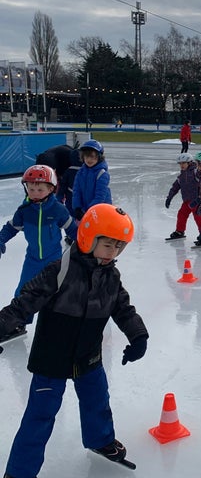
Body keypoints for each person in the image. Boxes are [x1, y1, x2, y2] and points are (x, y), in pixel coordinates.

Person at [0, 203, 148, 477]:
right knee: (39, 417)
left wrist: (138, 335)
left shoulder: (111, 277)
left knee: (97, 401)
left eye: (119, 247)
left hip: (88, 355)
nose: (113, 253)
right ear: (88, 238)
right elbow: (25, 302)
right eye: (107, 245)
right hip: (51, 358)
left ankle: (100, 440)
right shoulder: (59, 270)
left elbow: (123, 308)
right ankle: (19, 472)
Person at [0, 165, 79, 341]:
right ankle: (18, 323)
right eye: (31, 188)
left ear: (51, 189)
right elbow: (10, 228)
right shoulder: (24, 211)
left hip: (55, 260)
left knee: (58, 293)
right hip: (33, 260)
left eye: (40, 189)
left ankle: (61, 322)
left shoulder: (58, 209)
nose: (35, 192)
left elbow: (73, 230)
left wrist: (85, 247)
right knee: (23, 291)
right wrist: (0, 240)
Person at [165, 153, 201, 240]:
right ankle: (180, 231)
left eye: (183, 163)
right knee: (181, 214)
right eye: (180, 163)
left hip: (196, 201)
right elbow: (174, 188)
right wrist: (169, 198)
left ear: (189, 163)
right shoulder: (181, 176)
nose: (181, 165)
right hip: (186, 201)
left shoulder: (195, 172)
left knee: (198, 217)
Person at [72, 139, 112, 221]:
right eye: (87, 157)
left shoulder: (102, 173)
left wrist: (90, 211)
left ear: (99, 157)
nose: (89, 160)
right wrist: (77, 208)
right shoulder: (81, 172)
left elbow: (100, 196)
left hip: (100, 210)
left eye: (92, 157)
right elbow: (76, 191)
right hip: (85, 211)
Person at [56, 147, 82, 215]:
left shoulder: (69, 171)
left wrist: (59, 197)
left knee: (70, 212)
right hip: (83, 197)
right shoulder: (86, 171)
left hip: (70, 196)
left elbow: (63, 185)